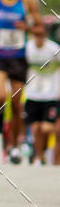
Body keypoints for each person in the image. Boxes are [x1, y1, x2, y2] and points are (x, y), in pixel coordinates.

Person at [0, 0, 42, 164]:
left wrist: (27, 28)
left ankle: (14, 146)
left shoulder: (28, 0)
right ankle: (1, 116)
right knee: (1, 96)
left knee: (18, 104)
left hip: (18, 57)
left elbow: (41, 29)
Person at [24, 23, 60, 165]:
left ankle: (44, 150)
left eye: (41, 35)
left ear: (45, 35)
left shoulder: (54, 49)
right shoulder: (28, 48)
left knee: (46, 128)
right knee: (35, 127)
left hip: (50, 94)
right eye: (36, 35)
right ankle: (39, 156)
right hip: (33, 93)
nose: (39, 38)